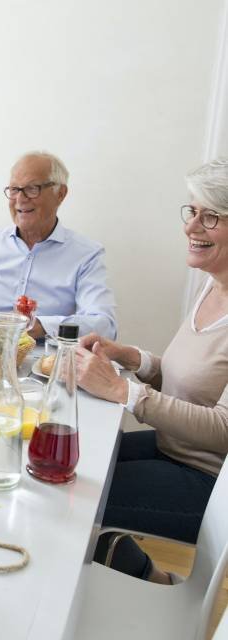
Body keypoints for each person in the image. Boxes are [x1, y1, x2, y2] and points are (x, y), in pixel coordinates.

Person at [76, 157, 228, 583]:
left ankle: (143, 580)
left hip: (206, 479)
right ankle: (144, 573)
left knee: (75, 491)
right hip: (172, 448)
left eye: (211, 216)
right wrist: (127, 356)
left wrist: (125, 393)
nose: (192, 227)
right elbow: (187, 379)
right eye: (193, 211)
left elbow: (223, 427)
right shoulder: (211, 287)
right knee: (75, 456)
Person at [0, 151, 117, 340]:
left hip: (46, 364)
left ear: (61, 194)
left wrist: (40, 326)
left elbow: (105, 327)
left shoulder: (86, 254)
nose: (20, 199)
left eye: (32, 188)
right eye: (14, 189)